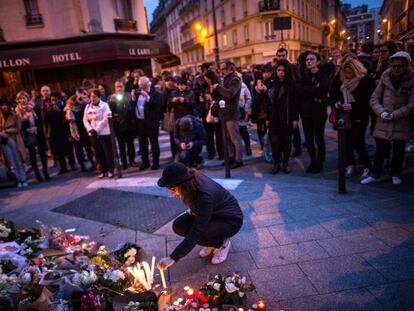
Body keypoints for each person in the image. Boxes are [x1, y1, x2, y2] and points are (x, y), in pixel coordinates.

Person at [157, 162, 243, 269]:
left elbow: (197, 231)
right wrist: (195, 211)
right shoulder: (191, 179)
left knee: (198, 234)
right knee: (179, 225)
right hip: (214, 213)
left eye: (173, 189)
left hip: (230, 220)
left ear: (183, 184)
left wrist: (173, 258)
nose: (171, 193)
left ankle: (221, 243)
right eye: (169, 189)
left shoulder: (203, 196)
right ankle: (212, 242)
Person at [361, 51, 414, 185]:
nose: (396, 68)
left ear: (406, 66)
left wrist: (395, 114)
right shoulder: (385, 76)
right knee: (380, 150)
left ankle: (396, 173)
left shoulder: (411, 79)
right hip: (383, 119)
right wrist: (381, 111)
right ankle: (375, 174)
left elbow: (412, 104)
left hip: (401, 120)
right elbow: (374, 98)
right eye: (394, 66)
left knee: (398, 149)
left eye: (400, 66)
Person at [330, 57, 376, 179]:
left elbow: (368, 100)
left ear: (356, 70)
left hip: (360, 115)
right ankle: (350, 164)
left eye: (350, 73)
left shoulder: (365, 81)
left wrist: (352, 106)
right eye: (345, 73)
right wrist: (337, 103)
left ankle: (367, 165)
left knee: (357, 141)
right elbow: (333, 95)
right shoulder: (340, 79)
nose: (347, 75)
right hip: (344, 115)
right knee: (346, 141)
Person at [266, 59, 299, 174]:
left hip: (287, 116)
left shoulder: (291, 85)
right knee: (275, 140)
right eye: (278, 70)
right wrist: (267, 118)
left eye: (283, 70)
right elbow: (267, 103)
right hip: (274, 116)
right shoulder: (272, 83)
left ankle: (285, 163)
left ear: (287, 72)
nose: (280, 72)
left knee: (286, 140)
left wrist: (295, 118)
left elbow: (295, 103)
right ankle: (276, 163)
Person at [299, 52, 330, 173]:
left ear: (317, 62)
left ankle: (320, 162)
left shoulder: (323, 75)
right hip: (306, 112)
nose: (309, 61)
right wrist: (313, 91)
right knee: (308, 139)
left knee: (319, 138)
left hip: (319, 112)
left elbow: (322, 90)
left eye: (312, 59)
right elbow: (300, 90)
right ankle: (312, 161)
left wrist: (309, 90)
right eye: (307, 60)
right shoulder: (304, 76)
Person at [212, 61, 244, 169]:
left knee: (235, 138)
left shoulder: (235, 79)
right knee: (228, 138)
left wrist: (218, 87)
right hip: (224, 113)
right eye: (220, 69)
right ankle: (231, 157)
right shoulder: (225, 79)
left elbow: (230, 94)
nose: (221, 72)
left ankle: (239, 159)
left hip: (231, 113)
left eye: (223, 69)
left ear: (231, 68)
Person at [15, 91, 50, 181]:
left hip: (38, 131)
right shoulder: (18, 110)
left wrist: (36, 127)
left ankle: (45, 171)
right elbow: (18, 123)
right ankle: (37, 173)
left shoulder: (34, 107)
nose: (22, 100)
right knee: (32, 154)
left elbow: (40, 119)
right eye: (20, 98)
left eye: (24, 97)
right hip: (28, 134)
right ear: (18, 100)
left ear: (27, 97)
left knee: (42, 152)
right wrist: (26, 129)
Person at [83, 89, 114, 178]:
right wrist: (90, 129)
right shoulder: (88, 107)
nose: (92, 98)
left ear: (99, 97)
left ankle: (110, 170)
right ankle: (102, 170)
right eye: (91, 97)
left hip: (104, 132)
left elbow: (105, 119)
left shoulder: (104, 105)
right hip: (92, 133)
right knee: (98, 153)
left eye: (94, 97)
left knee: (108, 153)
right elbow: (85, 120)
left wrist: (96, 129)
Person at [135, 76, 162, 171]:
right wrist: (133, 98)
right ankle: (145, 162)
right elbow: (134, 105)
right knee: (142, 144)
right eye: (140, 85)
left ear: (148, 84)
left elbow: (155, 105)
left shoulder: (155, 93)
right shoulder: (138, 93)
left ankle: (156, 162)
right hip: (140, 122)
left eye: (143, 85)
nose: (142, 87)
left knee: (154, 144)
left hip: (151, 123)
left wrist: (147, 96)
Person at [108, 80, 137, 169]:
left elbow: (132, 107)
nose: (119, 88)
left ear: (123, 87)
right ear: (115, 88)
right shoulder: (111, 97)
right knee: (121, 146)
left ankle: (132, 160)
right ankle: (124, 162)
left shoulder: (128, 95)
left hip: (128, 124)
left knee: (130, 145)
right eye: (117, 87)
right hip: (118, 126)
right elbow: (110, 111)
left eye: (121, 86)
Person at [0, 98, 28, 187]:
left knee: (18, 160)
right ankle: (18, 180)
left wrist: (7, 131)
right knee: (11, 162)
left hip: (14, 139)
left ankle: (23, 179)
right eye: (2, 105)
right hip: (4, 141)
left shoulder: (15, 115)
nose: (4, 107)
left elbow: (18, 128)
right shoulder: (0, 117)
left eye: (5, 105)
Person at [64, 94, 95, 172]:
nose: (76, 102)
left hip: (83, 130)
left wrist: (84, 102)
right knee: (79, 150)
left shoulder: (83, 107)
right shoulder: (68, 110)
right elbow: (66, 122)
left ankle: (92, 164)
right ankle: (82, 166)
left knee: (88, 149)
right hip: (75, 131)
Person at [201, 70, 223, 160]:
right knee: (208, 135)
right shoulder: (205, 87)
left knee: (219, 134)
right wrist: (203, 98)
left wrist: (212, 98)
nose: (207, 81)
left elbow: (222, 99)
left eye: (208, 79)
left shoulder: (218, 85)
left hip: (217, 112)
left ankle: (221, 153)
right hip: (207, 112)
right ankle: (211, 152)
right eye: (206, 79)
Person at [237, 72, 253, 156]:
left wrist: (246, 108)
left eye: (239, 79)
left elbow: (249, 98)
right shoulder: (231, 87)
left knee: (244, 131)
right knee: (235, 133)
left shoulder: (243, 86)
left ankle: (248, 147)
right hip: (233, 113)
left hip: (242, 111)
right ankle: (237, 151)